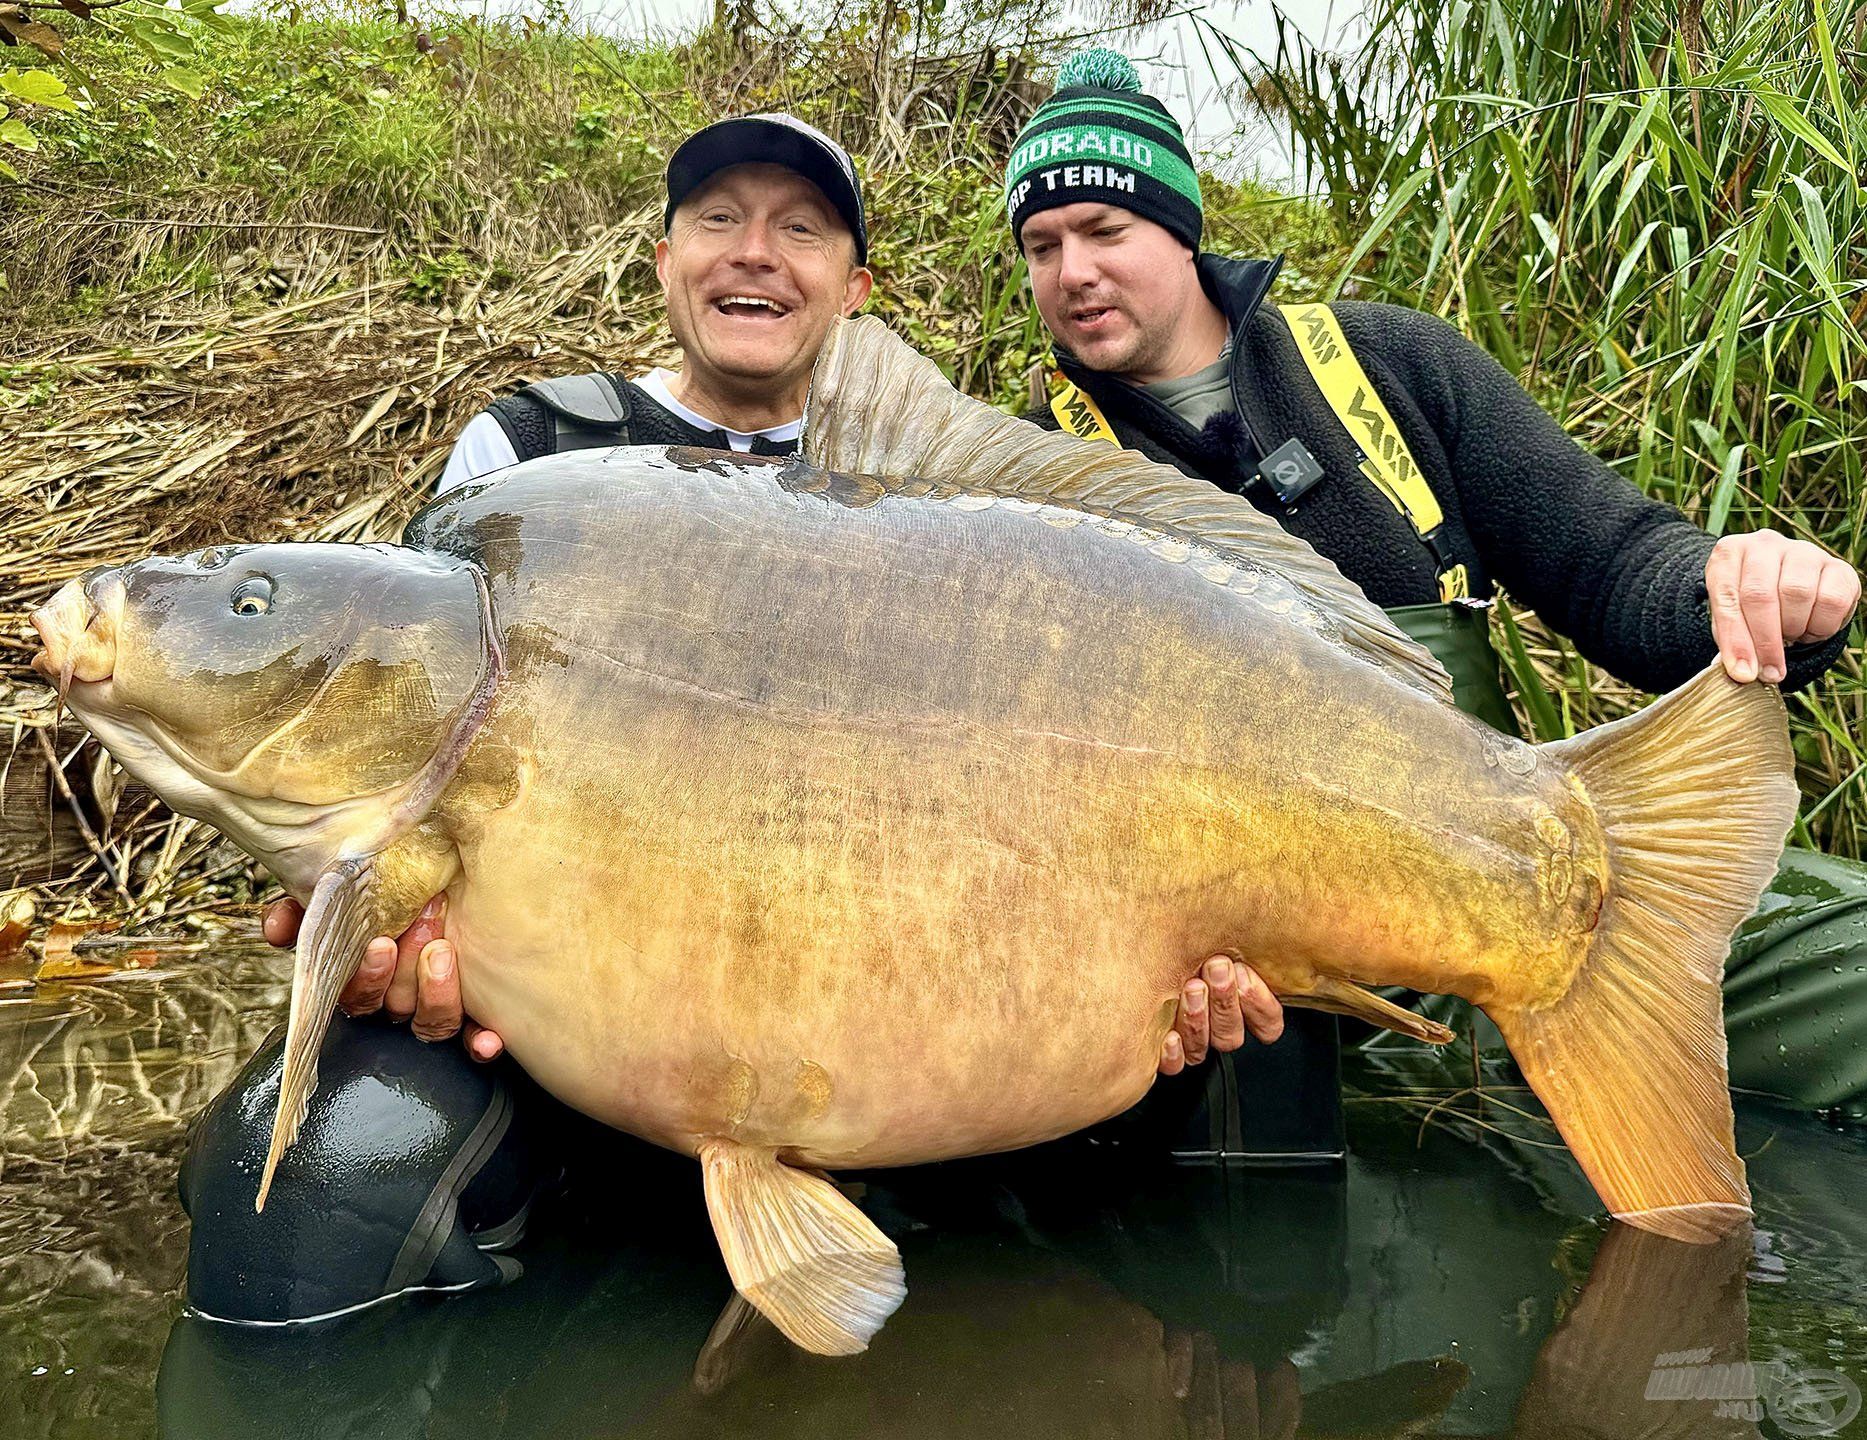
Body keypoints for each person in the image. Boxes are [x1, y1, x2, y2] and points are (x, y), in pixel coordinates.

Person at [186, 111, 1276, 1325]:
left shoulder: (960, 501)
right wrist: (392, 943)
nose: (754, 252)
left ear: (854, 288)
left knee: (1211, 1053)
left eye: (799, 229)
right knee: (306, 1187)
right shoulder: (526, 460)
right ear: (663, 259)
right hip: (569, 1058)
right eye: (718, 220)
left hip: (918, 1034)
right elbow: (399, 736)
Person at [1000, 48, 1866, 1148]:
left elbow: (1612, 565)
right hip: (1255, 1010)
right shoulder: (1024, 476)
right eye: (1041, 245)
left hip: (1516, 881)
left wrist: (1740, 589)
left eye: (1104, 231)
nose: (1072, 270)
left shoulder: (1387, 362)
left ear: (1180, 229)